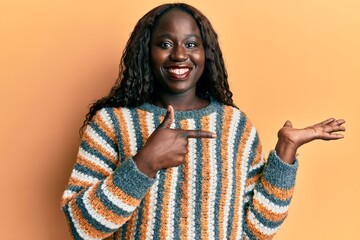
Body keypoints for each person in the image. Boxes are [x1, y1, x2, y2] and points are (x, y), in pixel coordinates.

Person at [60, 3, 345, 239]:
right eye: (165, 43)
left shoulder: (234, 126)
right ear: (146, 51)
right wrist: (145, 163)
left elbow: (257, 230)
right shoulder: (112, 122)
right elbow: (83, 227)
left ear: (205, 53)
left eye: (191, 44)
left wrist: (286, 151)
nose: (180, 54)